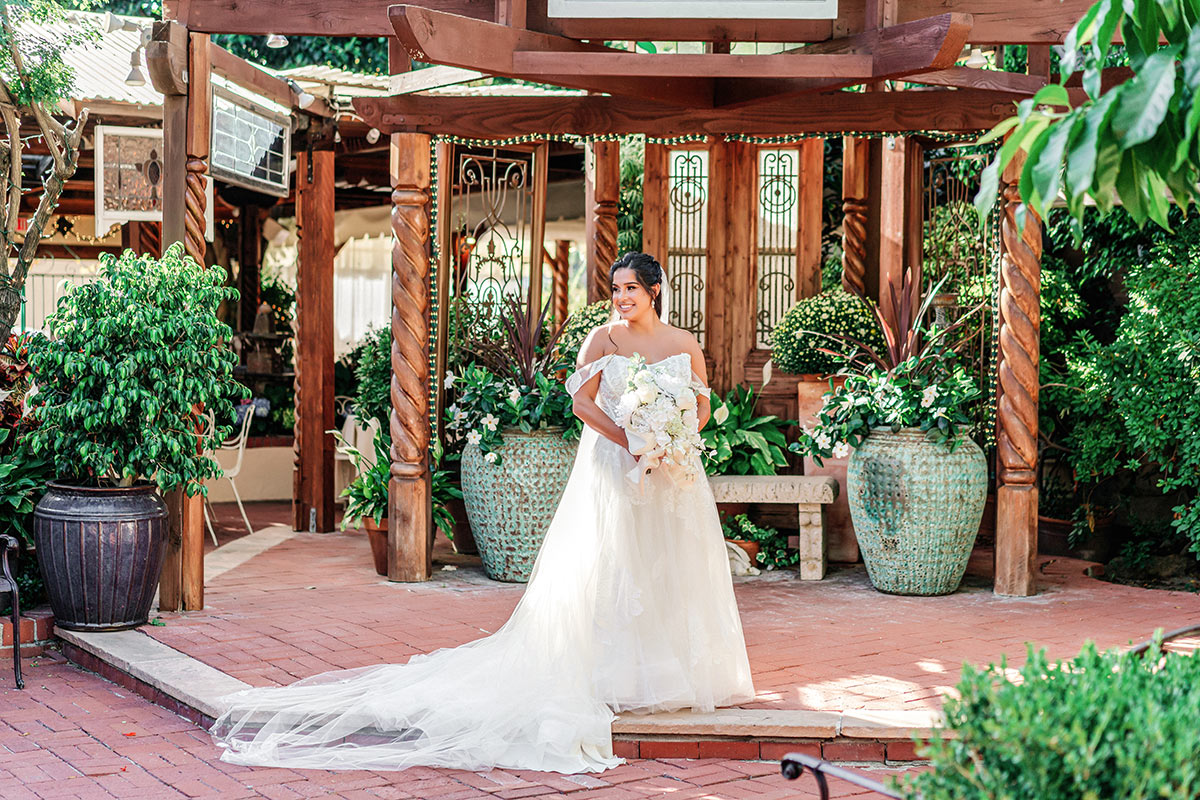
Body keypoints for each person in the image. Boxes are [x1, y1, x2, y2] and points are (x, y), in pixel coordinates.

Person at [210, 251, 755, 773]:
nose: (621, 298)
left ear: (654, 290)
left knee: (668, 566)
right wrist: (630, 439)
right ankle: (615, 674)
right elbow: (581, 402)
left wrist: (670, 442)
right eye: (615, 290)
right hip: (616, 468)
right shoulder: (602, 338)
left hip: (672, 475)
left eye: (631, 289)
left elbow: (700, 403)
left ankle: (671, 675)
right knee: (615, 566)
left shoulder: (683, 342)